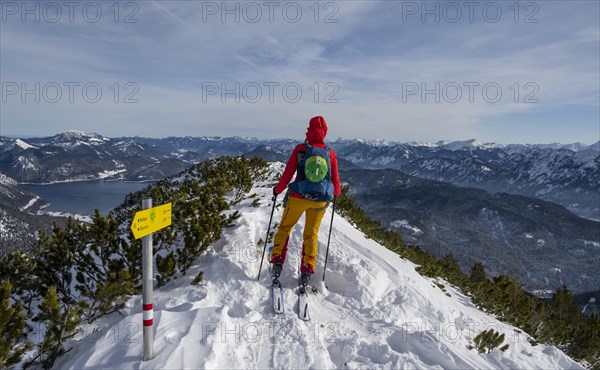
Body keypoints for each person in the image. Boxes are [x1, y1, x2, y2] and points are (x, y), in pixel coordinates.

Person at [270, 116, 342, 287]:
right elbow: (335, 179)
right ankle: (307, 270)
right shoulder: (330, 153)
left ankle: (278, 261)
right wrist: (336, 194)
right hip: (319, 201)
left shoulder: (301, 149)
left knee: (285, 228)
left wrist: (277, 190)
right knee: (311, 235)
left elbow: (288, 174)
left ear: (309, 130)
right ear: (324, 132)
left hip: (298, 198)